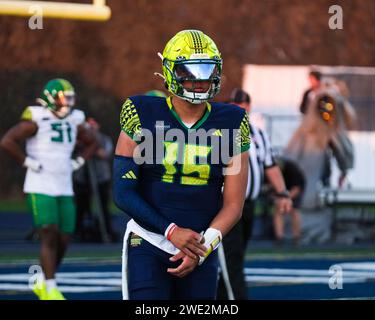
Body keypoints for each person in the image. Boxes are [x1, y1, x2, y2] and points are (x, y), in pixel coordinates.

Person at [113, 29, 250, 300]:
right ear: (170, 72)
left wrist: (203, 248)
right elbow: (123, 192)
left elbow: (234, 204)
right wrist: (171, 232)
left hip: (201, 246)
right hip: (148, 241)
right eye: (190, 71)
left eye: (207, 70)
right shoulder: (141, 112)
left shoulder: (234, 121)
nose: (200, 80)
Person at [0, 78, 97, 300]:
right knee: (48, 231)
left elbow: (93, 142)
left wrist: (79, 161)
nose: (67, 103)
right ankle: (50, 288)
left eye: (70, 98)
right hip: (40, 183)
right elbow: (8, 140)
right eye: (63, 98)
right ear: (50, 98)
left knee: (64, 237)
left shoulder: (74, 118)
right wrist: (28, 162)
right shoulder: (37, 117)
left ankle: (44, 279)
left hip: (64, 185)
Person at [217, 88, 292, 300]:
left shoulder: (258, 134)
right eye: (237, 105)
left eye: (244, 105)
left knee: (236, 257)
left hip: (248, 205)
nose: (241, 108)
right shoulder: (221, 133)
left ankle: (221, 298)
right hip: (227, 206)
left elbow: (270, 166)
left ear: (249, 107)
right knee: (230, 258)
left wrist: (282, 193)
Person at [73, 117, 118, 242]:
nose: (91, 127)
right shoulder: (78, 138)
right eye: (89, 124)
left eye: (94, 124)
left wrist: (92, 147)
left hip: (101, 178)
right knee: (81, 206)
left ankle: (106, 230)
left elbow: (105, 153)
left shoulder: (104, 139)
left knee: (103, 206)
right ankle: (78, 230)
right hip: (82, 177)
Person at [273, 156, 306, 246]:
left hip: (294, 189)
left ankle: (297, 237)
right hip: (282, 190)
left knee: (294, 211)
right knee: (278, 210)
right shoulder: (270, 170)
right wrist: (279, 198)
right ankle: (279, 237)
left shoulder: (292, 169)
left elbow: (297, 188)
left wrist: (286, 198)